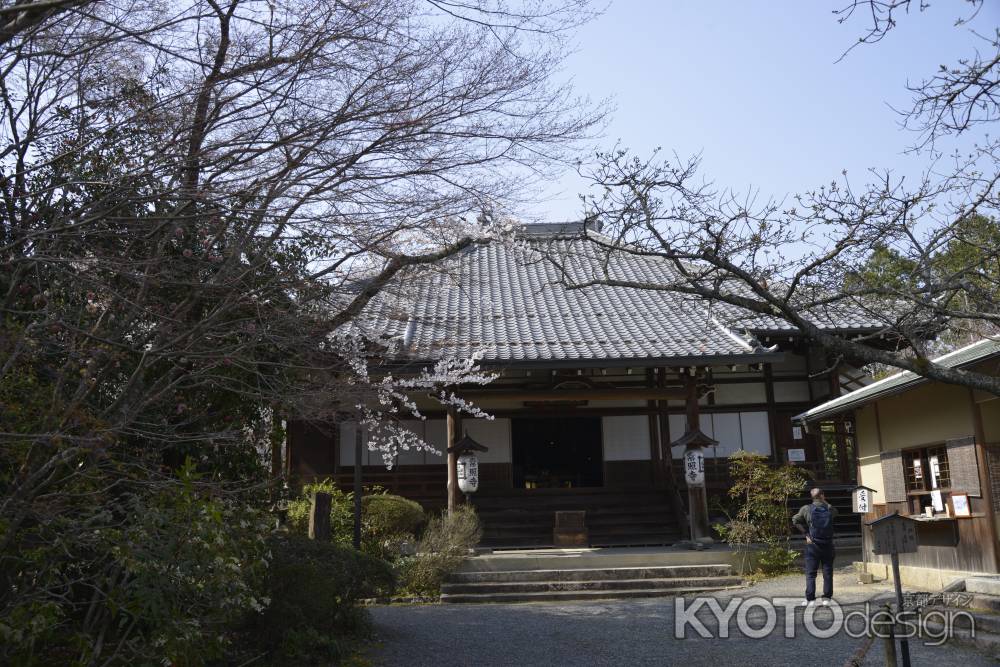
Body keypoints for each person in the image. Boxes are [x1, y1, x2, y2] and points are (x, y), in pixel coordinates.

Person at [792, 487, 837, 606]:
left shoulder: (806, 509)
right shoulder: (828, 508)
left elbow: (795, 520)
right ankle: (827, 598)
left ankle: (810, 599)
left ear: (811, 497)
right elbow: (835, 513)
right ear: (822, 495)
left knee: (811, 573)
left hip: (813, 544)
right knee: (827, 572)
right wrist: (825, 501)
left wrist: (806, 535)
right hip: (828, 544)